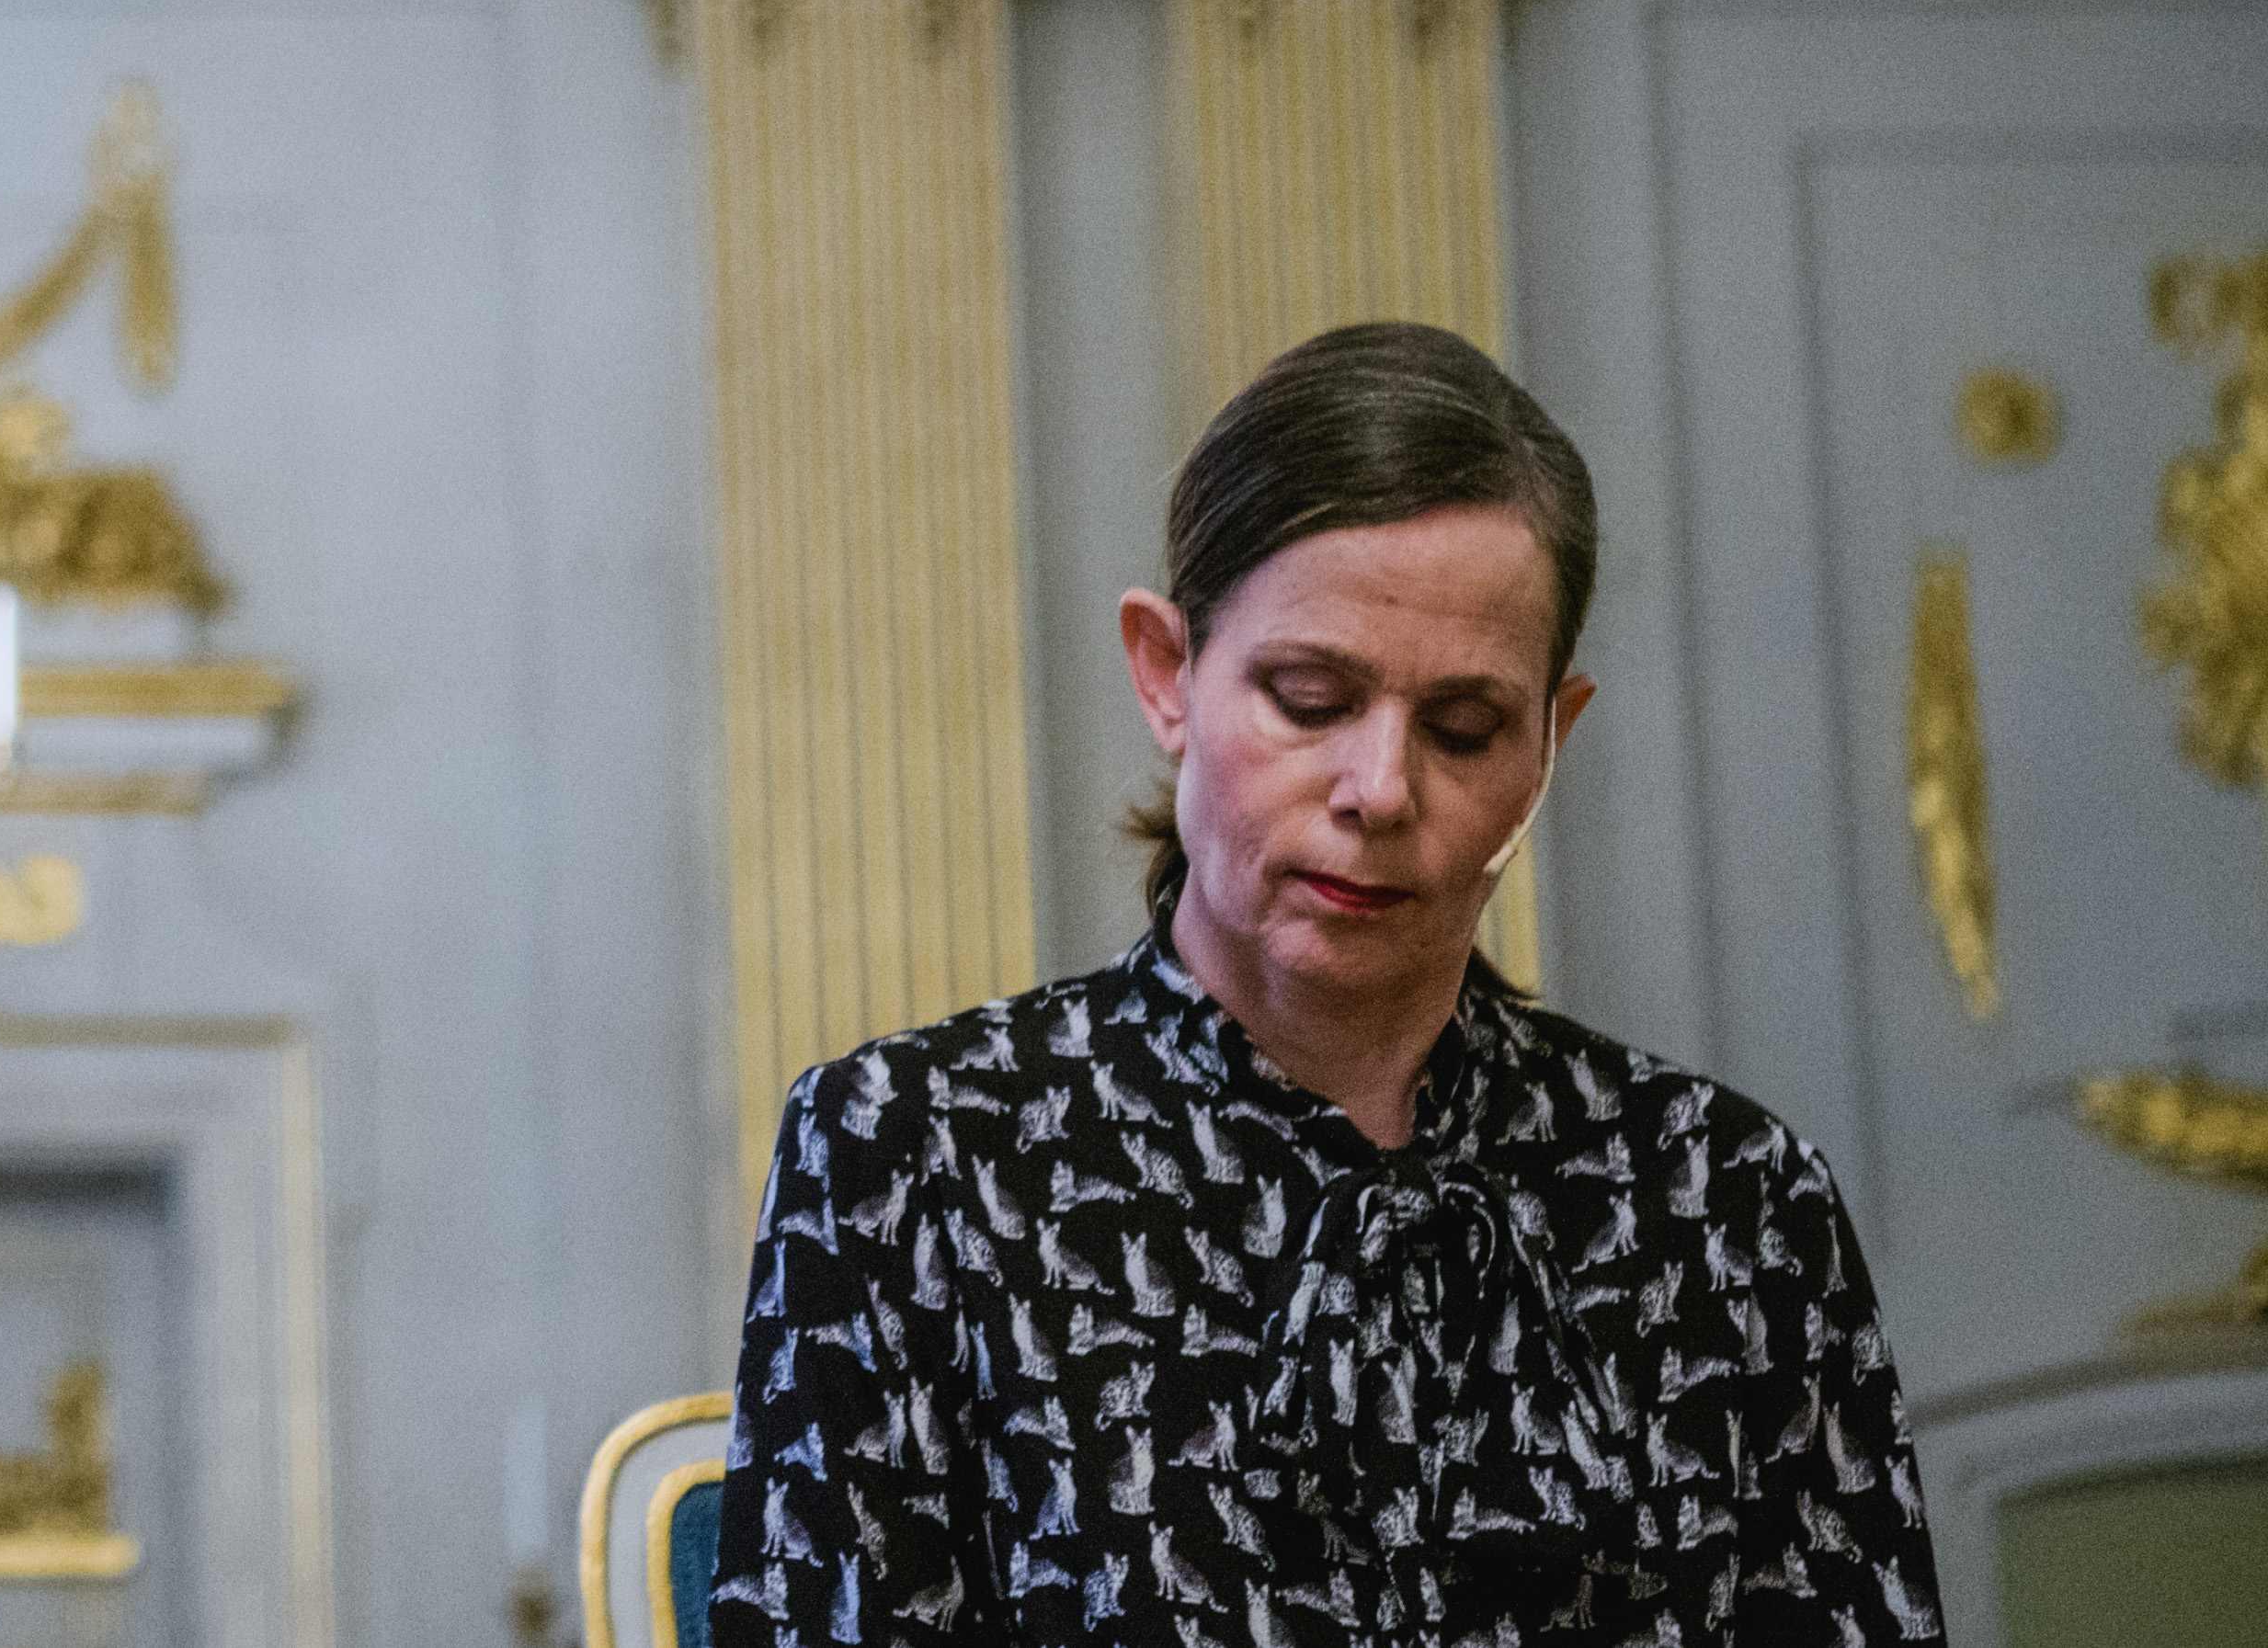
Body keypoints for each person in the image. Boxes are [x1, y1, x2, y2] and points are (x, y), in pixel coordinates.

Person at [712, 322, 1943, 1645]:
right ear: (1167, 674)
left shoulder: (1730, 1204)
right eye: (1309, 699)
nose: (1381, 790)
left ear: (1549, 742)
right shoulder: (918, 1158)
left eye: (1465, 729)